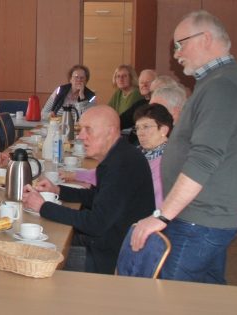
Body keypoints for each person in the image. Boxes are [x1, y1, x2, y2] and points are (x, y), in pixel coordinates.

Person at [130, 10, 237, 285]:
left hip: (200, 221)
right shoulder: (217, 81)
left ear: (206, 38)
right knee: (205, 295)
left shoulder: (222, 86)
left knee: (174, 297)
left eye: (180, 44)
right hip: (204, 217)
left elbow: (203, 159)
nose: (176, 54)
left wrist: (161, 215)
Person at [20, 105, 155, 274]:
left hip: (110, 258)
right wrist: (58, 190)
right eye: (81, 129)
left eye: (88, 130)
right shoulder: (119, 156)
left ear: (110, 132)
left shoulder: (122, 165)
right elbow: (99, 197)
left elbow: (95, 224)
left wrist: (42, 206)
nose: (81, 136)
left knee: (36, 252)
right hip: (109, 243)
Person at [133, 104, 174, 208]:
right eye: (137, 128)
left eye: (146, 127)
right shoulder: (135, 153)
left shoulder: (170, 160)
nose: (140, 133)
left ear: (163, 130)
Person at [119, 69, 157, 141]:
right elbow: (122, 120)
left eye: (148, 82)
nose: (144, 85)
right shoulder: (140, 103)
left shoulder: (158, 104)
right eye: (141, 82)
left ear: (157, 83)